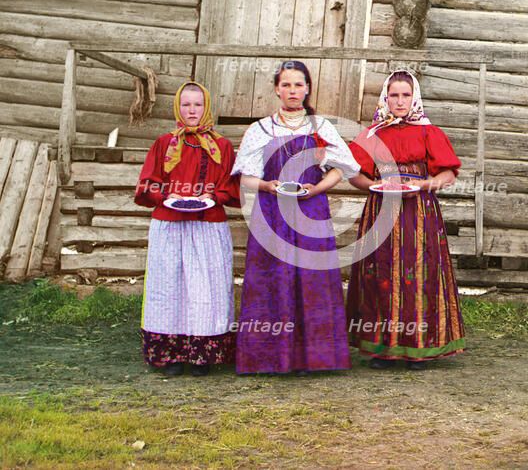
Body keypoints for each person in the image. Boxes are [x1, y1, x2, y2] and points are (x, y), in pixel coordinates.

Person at [232, 60, 360, 375]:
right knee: (271, 277)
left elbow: (344, 168)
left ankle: (314, 358)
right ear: (277, 89)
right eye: (286, 84)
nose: (292, 90)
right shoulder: (260, 129)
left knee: (311, 279)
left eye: (298, 84)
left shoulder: (321, 128)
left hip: (310, 211)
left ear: (307, 88)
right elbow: (245, 177)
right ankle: (269, 356)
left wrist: (317, 188)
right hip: (272, 213)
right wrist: (266, 185)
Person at [347, 70, 465, 370]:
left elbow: (448, 173)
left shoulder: (429, 132)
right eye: (394, 95)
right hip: (381, 209)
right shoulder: (373, 134)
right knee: (381, 272)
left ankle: (418, 346)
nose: (400, 101)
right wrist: (374, 186)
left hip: (418, 213)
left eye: (406, 95)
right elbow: (355, 175)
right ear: (385, 97)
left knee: (418, 273)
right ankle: (382, 347)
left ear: (415, 97)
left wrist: (425, 185)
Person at [134, 81, 239, 377]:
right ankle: (169, 355)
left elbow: (231, 187)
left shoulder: (221, 146)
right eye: (185, 105)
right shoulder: (164, 143)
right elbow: (147, 183)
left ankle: (202, 354)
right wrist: (165, 196)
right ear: (177, 108)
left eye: (197, 105)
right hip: (169, 225)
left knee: (206, 287)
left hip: (207, 227)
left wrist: (212, 197)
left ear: (206, 108)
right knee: (168, 287)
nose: (191, 110)